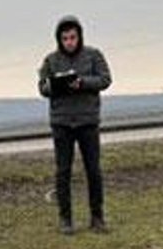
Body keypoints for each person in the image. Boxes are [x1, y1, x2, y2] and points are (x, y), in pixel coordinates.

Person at [38, 16, 111, 234]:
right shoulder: (50, 61)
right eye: (65, 38)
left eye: (72, 37)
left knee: (93, 171)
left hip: (87, 121)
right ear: (59, 39)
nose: (69, 41)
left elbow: (105, 80)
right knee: (63, 172)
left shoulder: (93, 55)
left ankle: (97, 217)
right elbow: (42, 87)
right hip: (62, 123)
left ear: (79, 36)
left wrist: (83, 82)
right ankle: (65, 219)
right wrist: (57, 85)